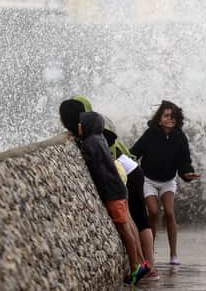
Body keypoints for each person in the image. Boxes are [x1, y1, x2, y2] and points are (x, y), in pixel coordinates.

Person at [59, 96, 158, 280]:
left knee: (131, 224)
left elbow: (96, 164)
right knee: (131, 221)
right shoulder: (100, 136)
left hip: (123, 182)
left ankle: (141, 267)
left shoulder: (92, 142)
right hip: (124, 180)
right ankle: (144, 265)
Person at [130, 100, 201, 266]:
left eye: (173, 116)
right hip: (148, 180)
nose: (170, 118)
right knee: (153, 212)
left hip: (168, 181)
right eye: (166, 115)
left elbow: (184, 161)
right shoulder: (150, 134)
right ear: (159, 119)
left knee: (169, 212)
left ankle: (173, 254)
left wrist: (187, 174)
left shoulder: (180, 137)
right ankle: (150, 254)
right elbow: (134, 152)